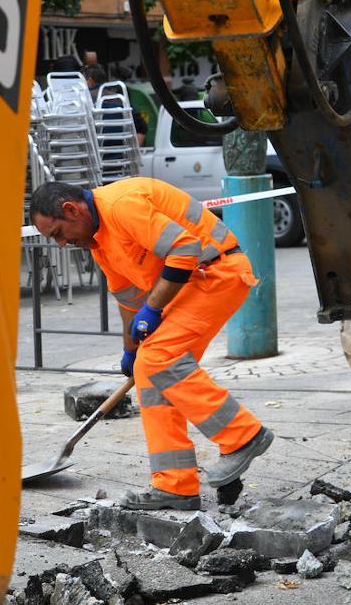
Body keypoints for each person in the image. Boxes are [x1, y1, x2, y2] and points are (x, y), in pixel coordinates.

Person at [30, 179, 274, 510]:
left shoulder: (121, 207)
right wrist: (130, 349)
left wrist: (154, 309)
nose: (61, 243)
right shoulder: (98, 241)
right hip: (190, 284)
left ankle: (243, 437)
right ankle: (175, 485)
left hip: (216, 271)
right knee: (149, 371)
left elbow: (185, 249)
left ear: (72, 210)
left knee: (159, 358)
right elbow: (130, 301)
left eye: (57, 232)